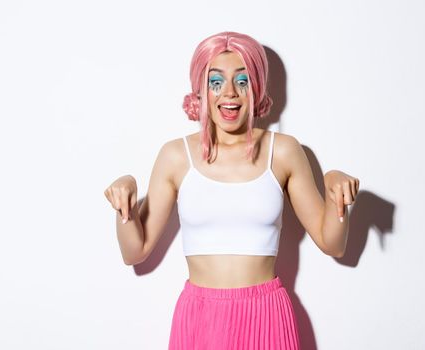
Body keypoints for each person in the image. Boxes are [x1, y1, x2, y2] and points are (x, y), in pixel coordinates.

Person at [103, 31, 359, 350]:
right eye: (216, 82)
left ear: (257, 88)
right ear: (201, 90)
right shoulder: (175, 156)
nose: (230, 94)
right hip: (200, 317)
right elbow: (134, 252)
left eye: (242, 81)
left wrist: (337, 195)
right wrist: (124, 204)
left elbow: (332, 243)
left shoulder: (283, 151)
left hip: (266, 314)